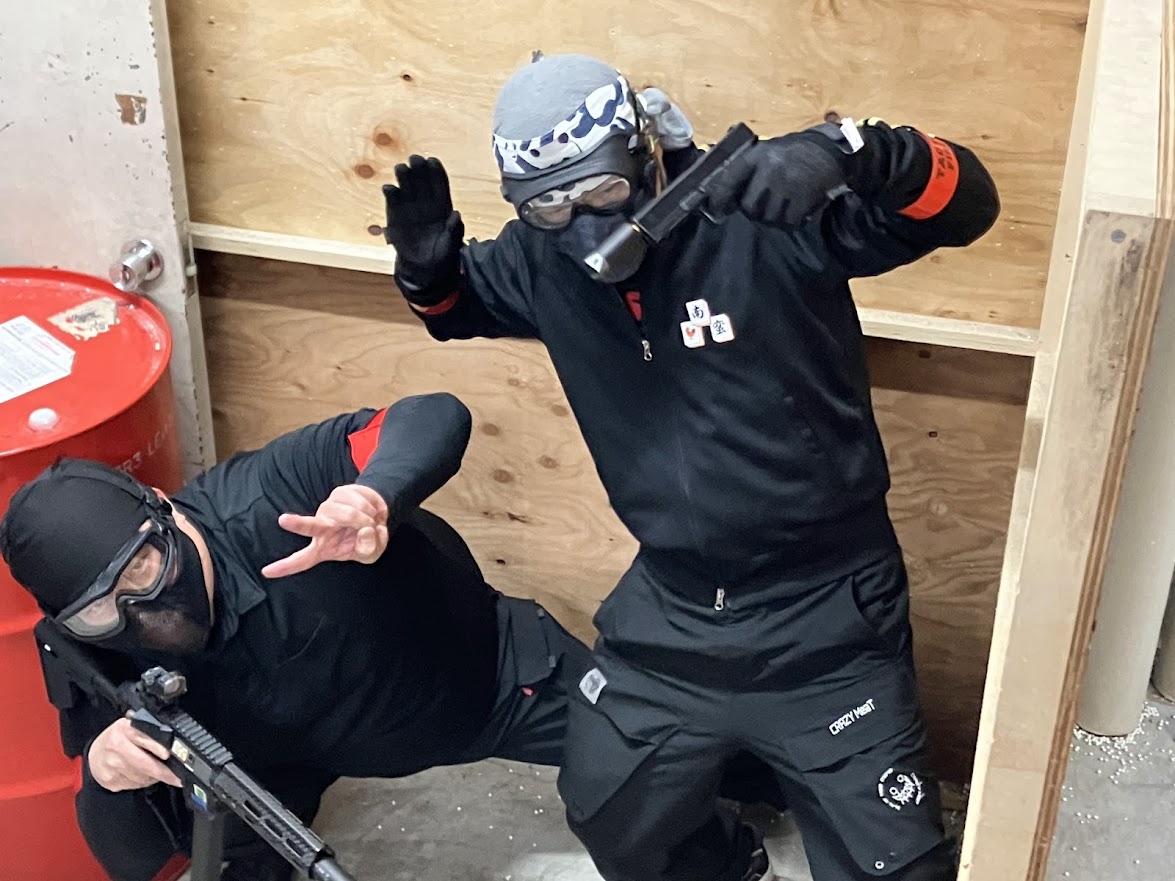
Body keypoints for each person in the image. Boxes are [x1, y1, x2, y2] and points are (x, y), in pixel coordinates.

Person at [379, 54, 1000, 881]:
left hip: (827, 609)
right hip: (672, 607)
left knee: (897, 866)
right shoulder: (544, 257)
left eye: (602, 192)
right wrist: (424, 270)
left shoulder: (763, 211)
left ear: (644, 152)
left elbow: (966, 206)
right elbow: (457, 309)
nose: (583, 225)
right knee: (611, 812)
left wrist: (855, 153)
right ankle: (727, 864)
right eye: (549, 206)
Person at [0, 393, 592, 881]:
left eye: (143, 569)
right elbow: (131, 862)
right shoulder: (94, 650)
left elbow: (434, 415)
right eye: (100, 611)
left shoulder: (273, 496)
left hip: (486, 680)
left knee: (640, 747)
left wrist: (376, 494)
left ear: (163, 509)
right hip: (277, 778)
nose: (142, 613)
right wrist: (105, 775)